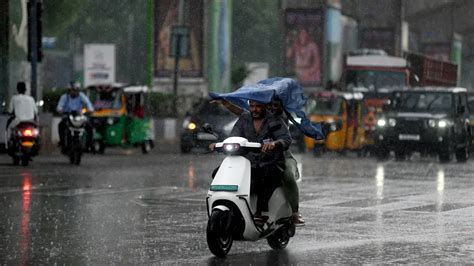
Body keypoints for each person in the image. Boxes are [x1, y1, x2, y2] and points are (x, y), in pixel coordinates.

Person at [212, 97, 306, 226]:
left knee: (268, 176)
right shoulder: (245, 118)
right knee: (218, 172)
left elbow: (285, 139)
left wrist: (274, 144)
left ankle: (262, 212)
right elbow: (234, 136)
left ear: (265, 106)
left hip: (271, 161)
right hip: (249, 161)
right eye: (252, 106)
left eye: (258, 106)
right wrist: (219, 144)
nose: (254, 109)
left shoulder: (275, 118)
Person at [56, 82, 94, 151]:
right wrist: (60, 110)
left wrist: (90, 110)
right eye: (72, 90)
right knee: (61, 125)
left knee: (89, 126)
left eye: (76, 90)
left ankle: (89, 143)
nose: (74, 92)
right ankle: (62, 142)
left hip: (79, 116)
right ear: (69, 90)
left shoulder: (81, 96)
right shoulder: (64, 97)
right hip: (68, 116)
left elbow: (88, 104)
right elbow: (59, 106)